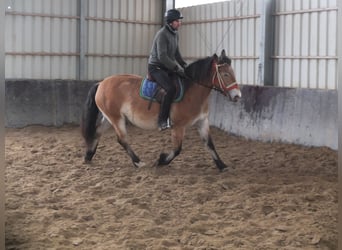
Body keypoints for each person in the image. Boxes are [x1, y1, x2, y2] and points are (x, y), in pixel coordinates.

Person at [148, 9, 187, 131]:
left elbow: (176, 53)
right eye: (177, 21)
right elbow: (162, 56)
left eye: (180, 21)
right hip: (156, 67)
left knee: (183, 80)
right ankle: (162, 120)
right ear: (170, 22)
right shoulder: (162, 34)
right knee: (170, 88)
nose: (179, 23)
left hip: (167, 66)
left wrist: (184, 66)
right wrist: (176, 67)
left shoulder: (175, 34)